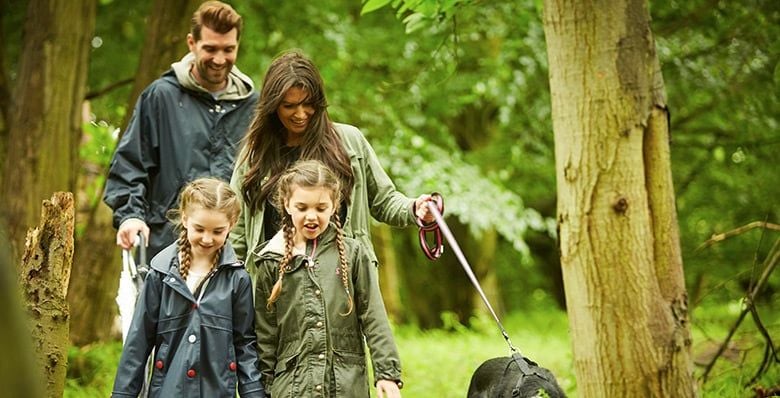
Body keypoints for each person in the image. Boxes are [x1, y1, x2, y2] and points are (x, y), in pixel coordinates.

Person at [230, 50, 435, 281]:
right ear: (273, 106)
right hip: (276, 285)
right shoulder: (255, 155)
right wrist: (235, 284)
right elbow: (236, 230)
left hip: (342, 283)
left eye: (308, 104)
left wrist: (415, 209)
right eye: (289, 106)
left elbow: (384, 201)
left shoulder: (350, 142)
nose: (300, 114)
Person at [104, 1, 258, 259]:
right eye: (210, 48)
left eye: (228, 49)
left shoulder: (254, 106)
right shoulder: (160, 97)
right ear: (191, 43)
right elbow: (130, 166)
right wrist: (130, 216)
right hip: (167, 249)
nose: (219, 59)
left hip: (234, 256)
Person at [254, 159, 403, 397]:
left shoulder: (354, 254)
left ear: (334, 205)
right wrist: (261, 389)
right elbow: (265, 335)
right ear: (287, 204)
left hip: (346, 386)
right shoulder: (270, 260)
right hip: (292, 388)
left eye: (320, 208)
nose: (311, 217)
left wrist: (387, 374)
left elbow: (374, 317)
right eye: (302, 208)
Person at [112, 178, 265, 398]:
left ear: (232, 225)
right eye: (199, 229)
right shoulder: (160, 274)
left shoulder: (238, 279)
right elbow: (138, 343)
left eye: (217, 231)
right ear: (184, 218)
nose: (207, 238)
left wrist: (254, 393)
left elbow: (244, 345)